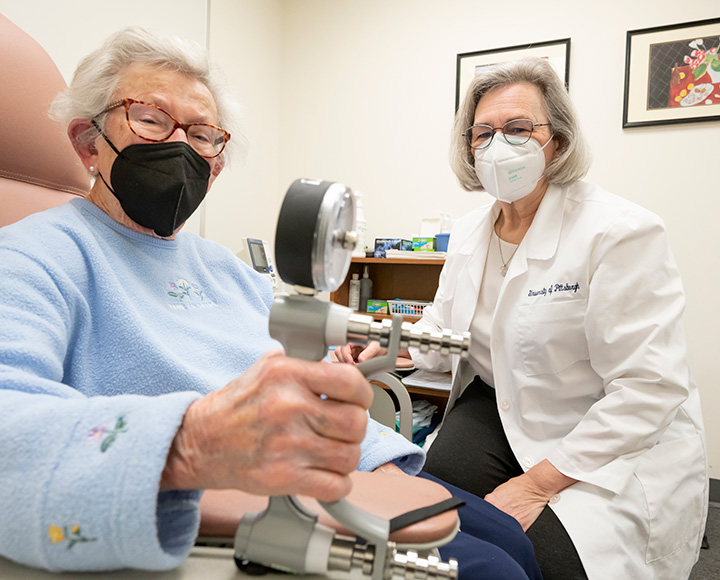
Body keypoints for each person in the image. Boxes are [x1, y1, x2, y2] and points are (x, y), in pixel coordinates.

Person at [0, 27, 541, 580]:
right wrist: (193, 442)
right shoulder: (31, 257)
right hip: (211, 499)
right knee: (491, 572)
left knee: (513, 542)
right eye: (152, 119)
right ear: (87, 140)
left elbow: (306, 373)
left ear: (216, 164)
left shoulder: (226, 269)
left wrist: (357, 413)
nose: (182, 146)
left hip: (330, 472)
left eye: (206, 134)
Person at [335, 58, 708, 580]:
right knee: (436, 511)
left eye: (517, 129)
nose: (498, 147)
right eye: (483, 133)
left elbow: (649, 388)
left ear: (556, 140)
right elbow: (444, 328)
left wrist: (535, 485)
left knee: (543, 558)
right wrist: (389, 344)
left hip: (607, 424)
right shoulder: (469, 234)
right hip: (500, 404)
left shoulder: (620, 232)